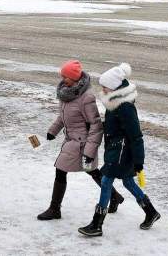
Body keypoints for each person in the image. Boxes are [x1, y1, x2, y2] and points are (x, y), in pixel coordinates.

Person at [79, 63, 160, 237]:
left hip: (122, 153)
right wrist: (95, 125)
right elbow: (113, 127)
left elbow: (136, 136)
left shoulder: (125, 107)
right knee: (128, 182)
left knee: (106, 181)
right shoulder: (115, 102)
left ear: (114, 86)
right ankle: (151, 212)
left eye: (105, 87)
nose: (103, 90)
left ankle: (97, 224)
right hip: (117, 150)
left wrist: (139, 161)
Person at [37, 60, 125, 221]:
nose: (64, 80)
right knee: (91, 170)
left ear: (75, 78)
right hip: (71, 140)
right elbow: (63, 116)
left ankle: (54, 208)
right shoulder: (66, 93)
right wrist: (53, 131)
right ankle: (115, 196)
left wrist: (90, 151)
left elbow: (96, 125)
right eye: (62, 76)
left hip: (81, 144)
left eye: (67, 77)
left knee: (60, 169)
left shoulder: (86, 98)